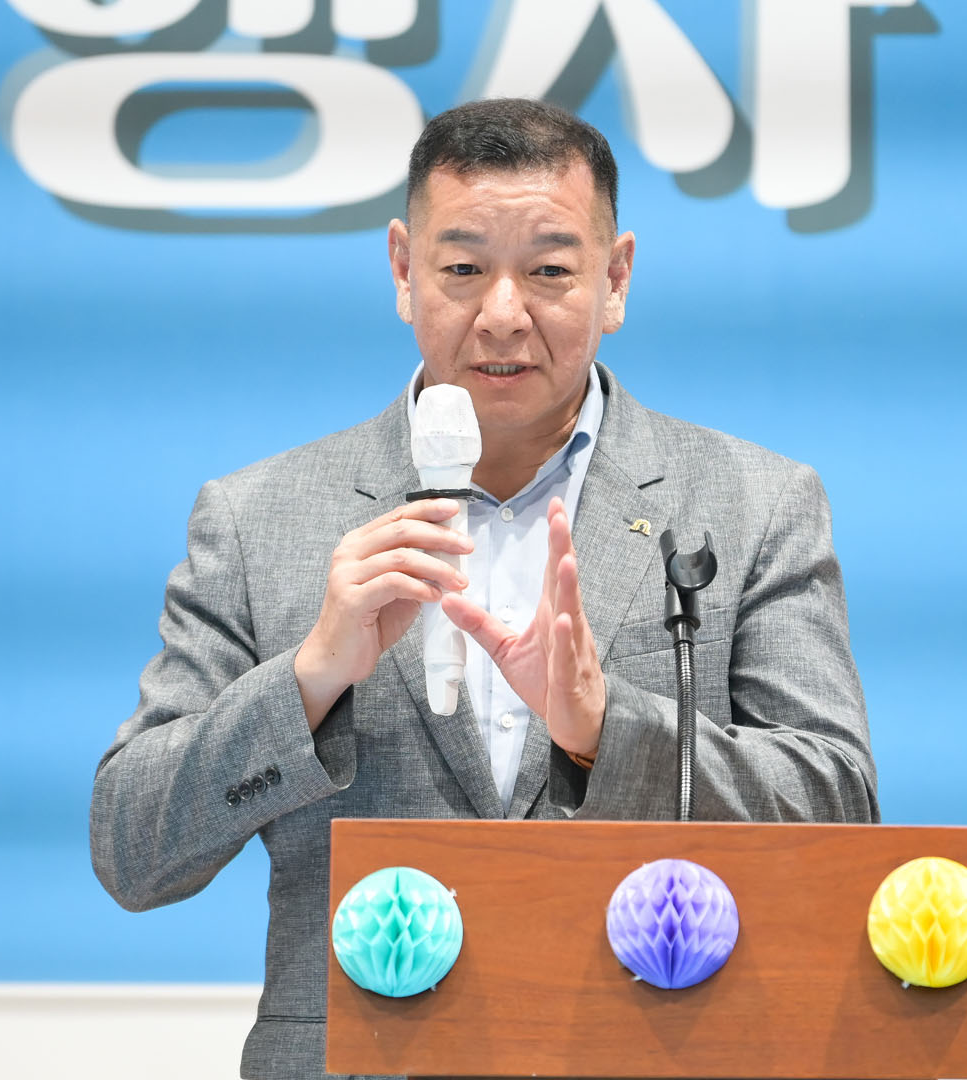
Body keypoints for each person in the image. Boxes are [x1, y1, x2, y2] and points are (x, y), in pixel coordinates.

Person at [91, 98, 878, 1080]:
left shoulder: (752, 504)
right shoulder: (260, 518)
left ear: (616, 278)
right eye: (463, 270)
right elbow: (131, 850)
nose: (503, 313)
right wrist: (308, 680)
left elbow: (837, 811)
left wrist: (606, 729)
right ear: (402, 270)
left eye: (549, 271)